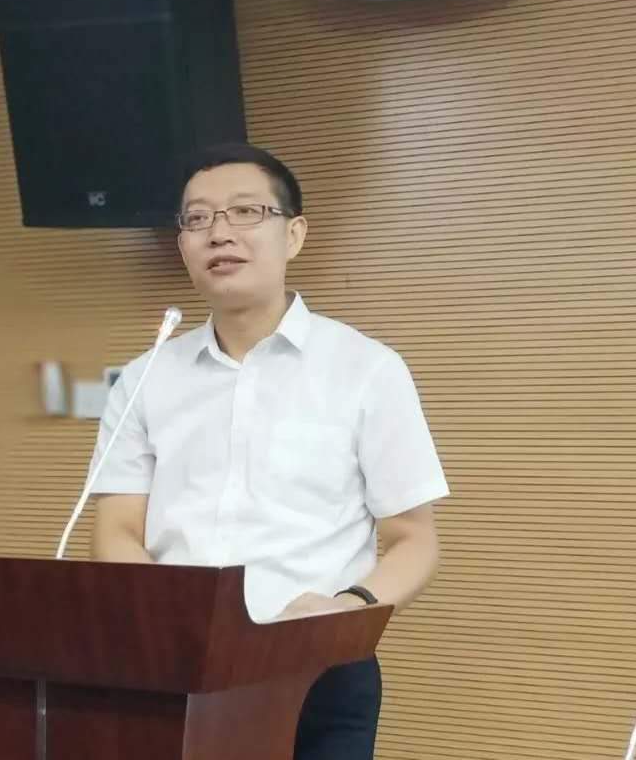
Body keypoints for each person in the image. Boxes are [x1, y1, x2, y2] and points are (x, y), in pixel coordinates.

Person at [87, 142, 450, 760]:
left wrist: (345, 610)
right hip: (174, 661)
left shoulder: (366, 369)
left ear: (294, 234)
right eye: (197, 218)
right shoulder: (146, 378)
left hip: (318, 667)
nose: (219, 233)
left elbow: (414, 540)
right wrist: (165, 615)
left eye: (246, 212)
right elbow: (117, 527)